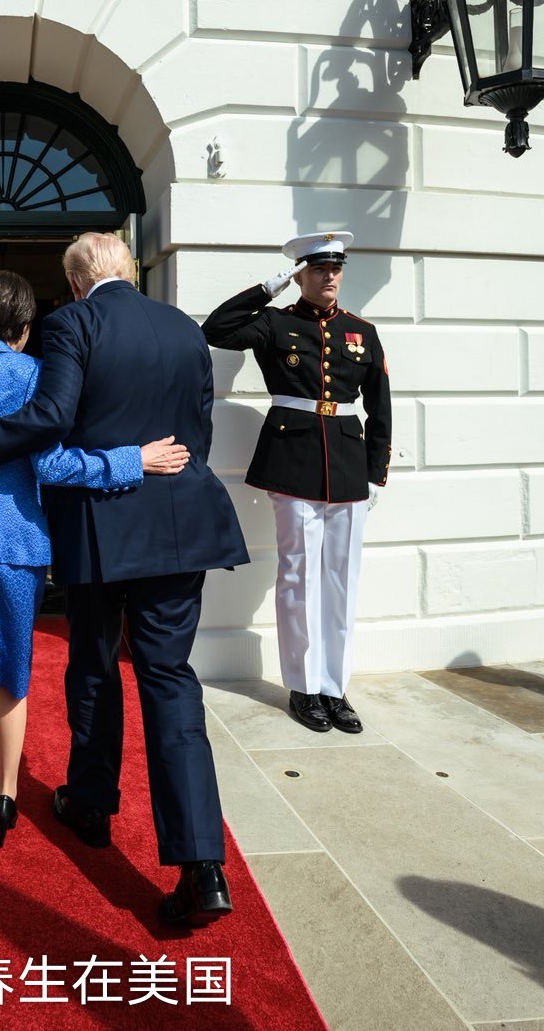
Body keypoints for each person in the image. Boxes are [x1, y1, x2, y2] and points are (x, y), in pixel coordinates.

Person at [0, 232, 249, 928]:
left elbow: (49, 419)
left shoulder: (73, 323)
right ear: (128, 269)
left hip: (102, 527)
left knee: (96, 668)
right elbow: (198, 429)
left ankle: (92, 804)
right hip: (181, 524)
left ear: (75, 284)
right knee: (170, 680)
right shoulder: (185, 328)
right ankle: (203, 867)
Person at [204, 231, 391, 735]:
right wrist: (267, 288)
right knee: (298, 575)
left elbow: (380, 407)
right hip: (292, 460)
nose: (330, 276)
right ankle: (304, 686)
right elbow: (216, 329)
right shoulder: (275, 322)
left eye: (336, 268)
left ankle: (334, 686)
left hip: (348, 464)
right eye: (319, 268)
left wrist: (376, 472)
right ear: (301, 274)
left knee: (341, 580)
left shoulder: (362, 331)